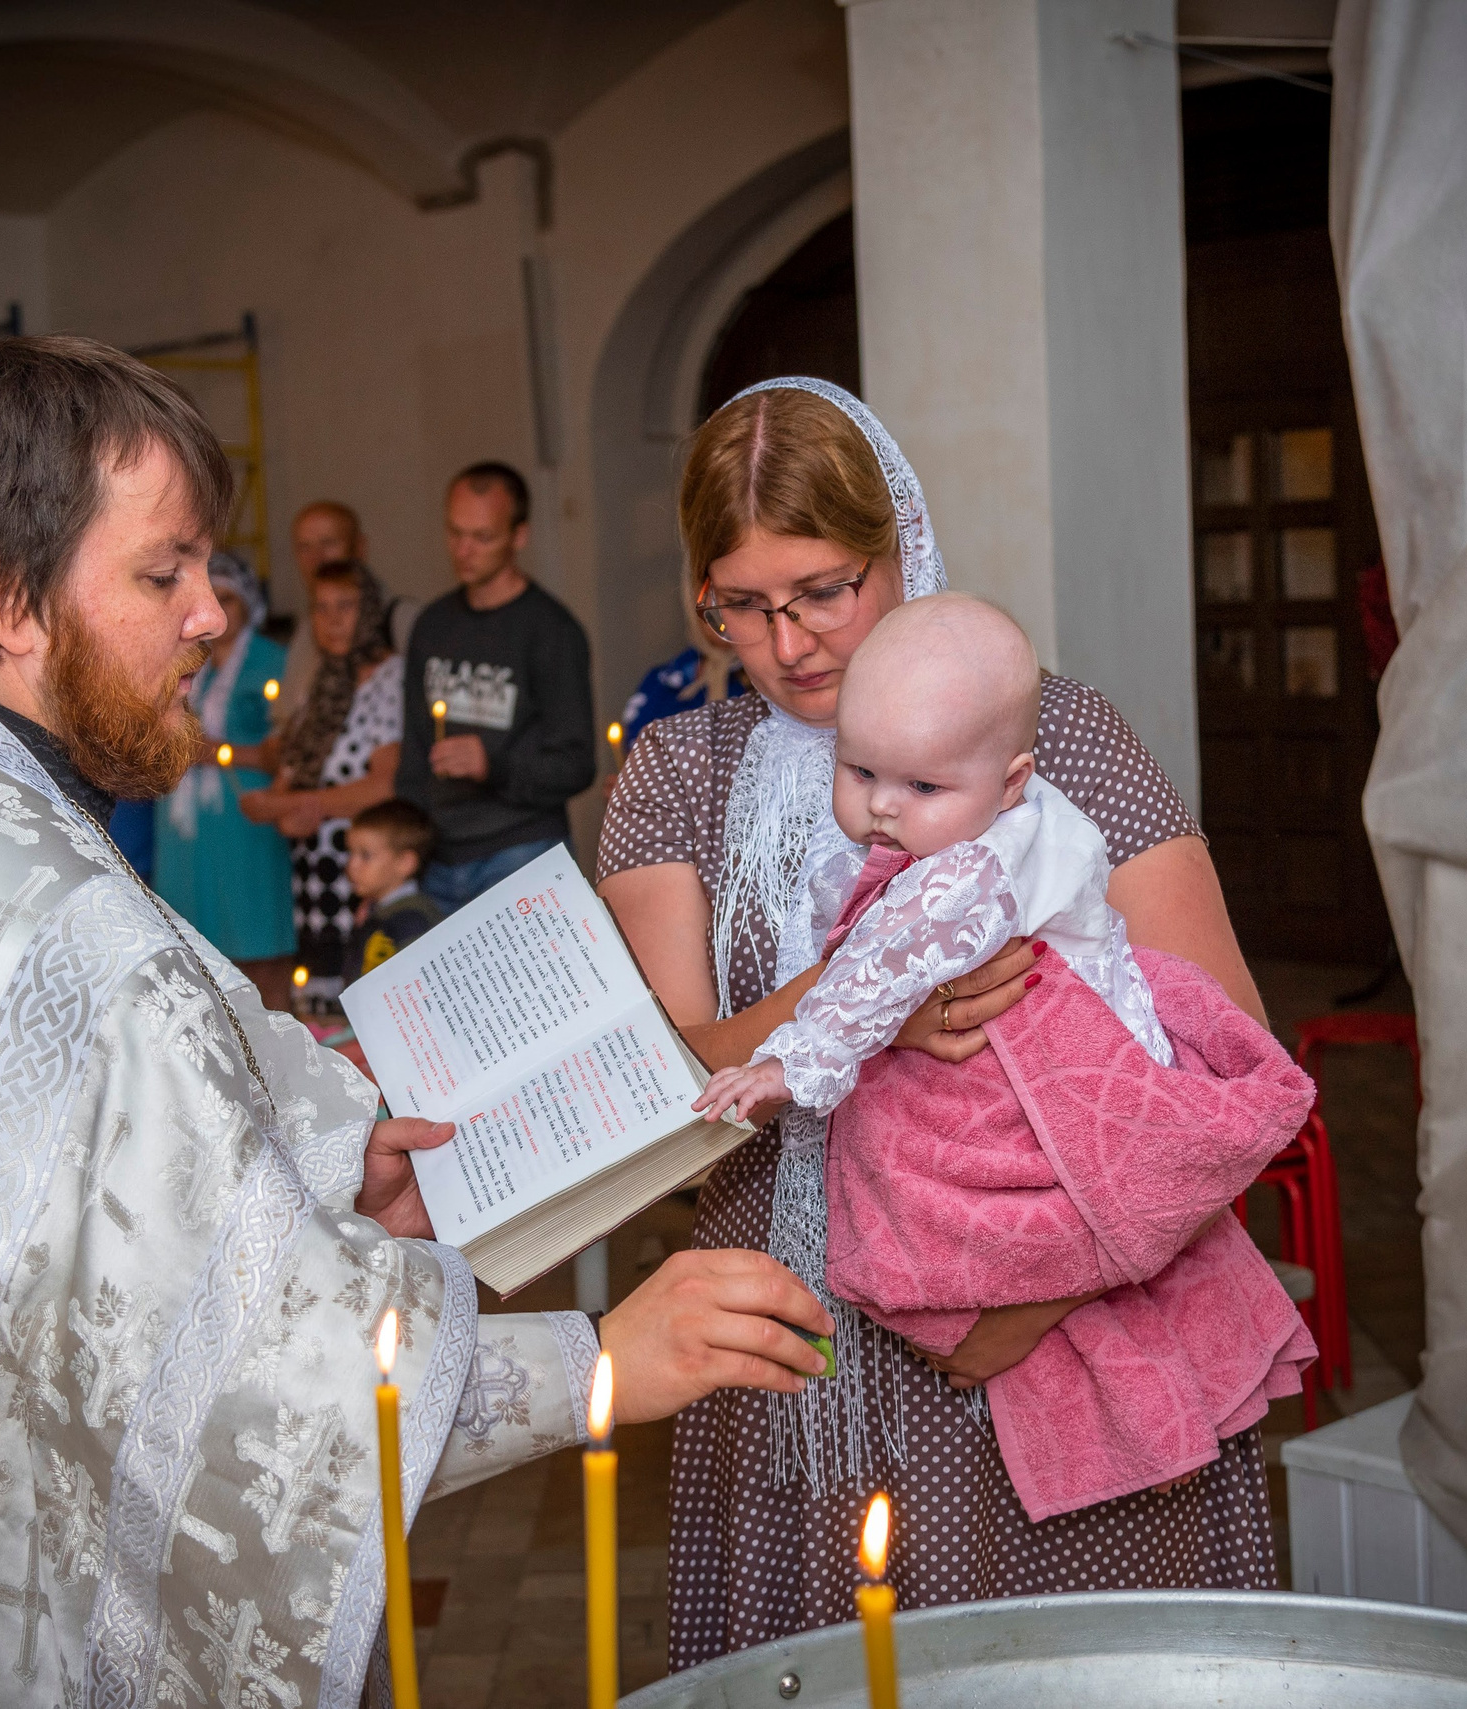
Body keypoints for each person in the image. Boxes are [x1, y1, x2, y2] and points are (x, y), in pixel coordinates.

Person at [0, 334, 830, 1709]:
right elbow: (238, 1394)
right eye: (164, 572)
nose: (214, 614)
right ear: (2, 598)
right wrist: (605, 1358)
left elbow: (64, 1229)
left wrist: (327, 1164)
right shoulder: (58, 931)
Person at [596, 377, 1276, 1671]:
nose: (788, 640)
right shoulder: (678, 772)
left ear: (897, 543)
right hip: (793, 1339)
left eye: (824, 590)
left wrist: (1025, 1305)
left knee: (1064, 1670)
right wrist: (869, 997)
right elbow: (670, 1072)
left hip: (1078, 1297)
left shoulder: (1053, 730)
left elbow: (1226, 1046)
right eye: (741, 601)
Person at [694, 594, 1317, 1522]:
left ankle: (1148, 1424)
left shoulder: (968, 872)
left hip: (1065, 1067)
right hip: (1059, 1042)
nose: (882, 808)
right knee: (1081, 1283)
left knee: (962, 1232)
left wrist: (783, 1068)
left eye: (919, 789)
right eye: (859, 771)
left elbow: (864, 980)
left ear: (1013, 779)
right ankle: (1162, 1416)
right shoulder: (978, 806)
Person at [394, 462, 595, 908]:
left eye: (482, 537)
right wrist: (398, 853)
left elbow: (578, 763)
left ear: (519, 536)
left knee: (532, 980)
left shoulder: (551, 630)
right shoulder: (432, 624)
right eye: (454, 532)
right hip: (436, 855)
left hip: (522, 851)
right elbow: (412, 754)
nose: (464, 550)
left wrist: (494, 764)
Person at [244, 561, 400, 1005]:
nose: (332, 620)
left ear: (370, 611)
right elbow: (294, 773)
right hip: (314, 880)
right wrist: (280, 808)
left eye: (345, 607)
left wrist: (293, 805)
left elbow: (383, 787)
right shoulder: (324, 681)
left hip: (362, 876)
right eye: (321, 608)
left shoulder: (390, 678)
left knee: (363, 1007)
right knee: (319, 1013)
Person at [152, 553, 294, 1009]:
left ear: (250, 603)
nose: (221, 608)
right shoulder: (188, 656)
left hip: (244, 813)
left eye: (230, 598)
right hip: (188, 821)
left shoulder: (273, 661)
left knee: (254, 937)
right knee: (195, 950)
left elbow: (291, 749)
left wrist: (218, 752)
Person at [275, 500, 418, 711]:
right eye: (304, 547)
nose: (316, 559)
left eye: (328, 544)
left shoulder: (402, 620)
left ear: (359, 547)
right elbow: (286, 717)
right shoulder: (307, 629)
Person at [343, 797, 444, 981]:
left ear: (405, 863)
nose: (352, 865)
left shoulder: (412, 919)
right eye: (351, 853)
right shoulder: (377, 911)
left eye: (365, 855)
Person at [619, 616, 746, 751]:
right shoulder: (663, 678)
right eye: (702, 597)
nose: (717, 614)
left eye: (738, 601)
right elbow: (635, 742)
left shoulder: (754, 682)